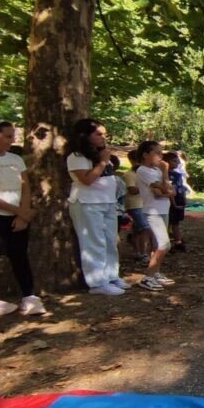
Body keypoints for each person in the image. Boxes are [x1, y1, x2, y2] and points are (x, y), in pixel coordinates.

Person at [0, 118, 44, 315]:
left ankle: (29, 295)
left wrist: (23, 213)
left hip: (17, 217)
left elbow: (25, 187)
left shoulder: (15, 159)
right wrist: (18, 211)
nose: (12, 140)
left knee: (20, 255)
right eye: (8, 136)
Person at [66, 119, 128, 296]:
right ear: (85, 136)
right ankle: (97, 282)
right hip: (87, 203)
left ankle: (111, 275)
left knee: (110, 240)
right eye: (98, 134)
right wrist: (102, 162)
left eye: (104, 134)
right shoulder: (76, 157)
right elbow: (87, 180)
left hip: (107, 202)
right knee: (94, 242)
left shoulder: (100, 154)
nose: (103, 137)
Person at [136, 141, 176, 292]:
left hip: (163, 210)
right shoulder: (143, 171)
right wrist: (165, 174)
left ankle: (156, 273)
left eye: (161, 153)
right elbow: (161, 191)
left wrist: (165, 189)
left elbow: (171, 191)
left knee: (157, 245)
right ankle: (148, 277)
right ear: (145, 154)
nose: (161, 156)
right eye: (157, 153)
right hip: (152, 212)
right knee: (164, 244)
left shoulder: (157, 170)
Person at [123, 149, 151, 266]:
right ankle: (143, 253)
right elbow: (132, 190)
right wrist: (149, 186)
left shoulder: (144, 173)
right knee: (145, 228)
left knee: (138, 230)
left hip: (145, 204)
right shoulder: (129, 174)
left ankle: (137, 251)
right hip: (135, 205)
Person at [163, 152, 188, 252]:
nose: (177, 163)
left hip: (179, 199)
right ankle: (172, 242)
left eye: (177, 161)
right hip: (172, 201)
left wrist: (184, 199)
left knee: (175, 222)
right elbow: (169, 190)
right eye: (174, 161)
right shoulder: (165, 175)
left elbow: (181, 188)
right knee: (170, 222)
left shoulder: (177, 174)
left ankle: (177, 240)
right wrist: (174, 204)